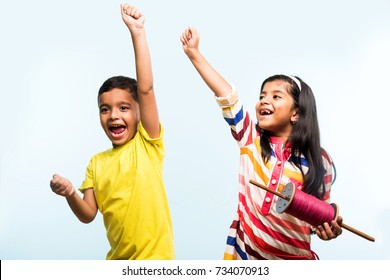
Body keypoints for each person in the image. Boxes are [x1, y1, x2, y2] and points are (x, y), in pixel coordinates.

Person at [180, 27, 343, 260]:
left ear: (296, 113)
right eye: (262, 96)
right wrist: (194, 52)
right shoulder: (250, 138)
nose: (264, 100)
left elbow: (320, 215)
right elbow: (228, 97)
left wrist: (327, 229)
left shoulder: (320, 160)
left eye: (276, 96)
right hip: (245, 258)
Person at [50, 4, 175, 260]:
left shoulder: (147, 143)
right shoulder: (96, 163)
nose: (114, 115)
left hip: (156, 262)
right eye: (105, 109)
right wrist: (70, 192)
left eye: (124, 107)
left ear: (139, 112)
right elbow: (87, 214)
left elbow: (146, 90)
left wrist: (137, 32)